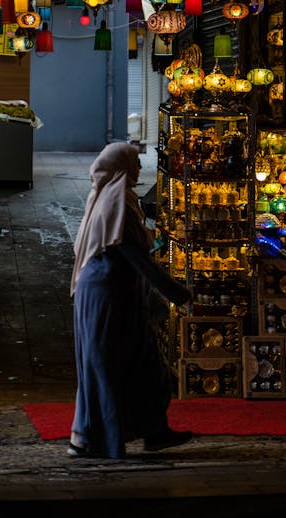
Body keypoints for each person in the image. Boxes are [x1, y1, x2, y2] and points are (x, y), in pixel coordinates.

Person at [68, 141, 194, 459]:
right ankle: (89, 438)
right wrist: (177, 294)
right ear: (121, 168)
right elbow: (138, 260)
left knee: (141, 363)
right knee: (108, 365)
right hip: (107, 297)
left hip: (114, 293)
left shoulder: (117, 199)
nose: (139, 169)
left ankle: (153, 431)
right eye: (134, 163)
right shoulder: (116, 205)